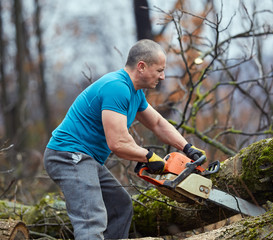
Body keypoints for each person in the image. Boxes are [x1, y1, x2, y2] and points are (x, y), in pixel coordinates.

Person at [43, 39, 205, 240]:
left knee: (120, 207)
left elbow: (157, 123)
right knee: (91, 220)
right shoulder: (116, 87)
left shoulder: (134, 92)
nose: (162, 76)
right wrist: (150, 157)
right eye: (159, 70)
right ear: (142, 66)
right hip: (69, 155)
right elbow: (118, 143)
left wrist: (187, 148)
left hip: (87, 158)